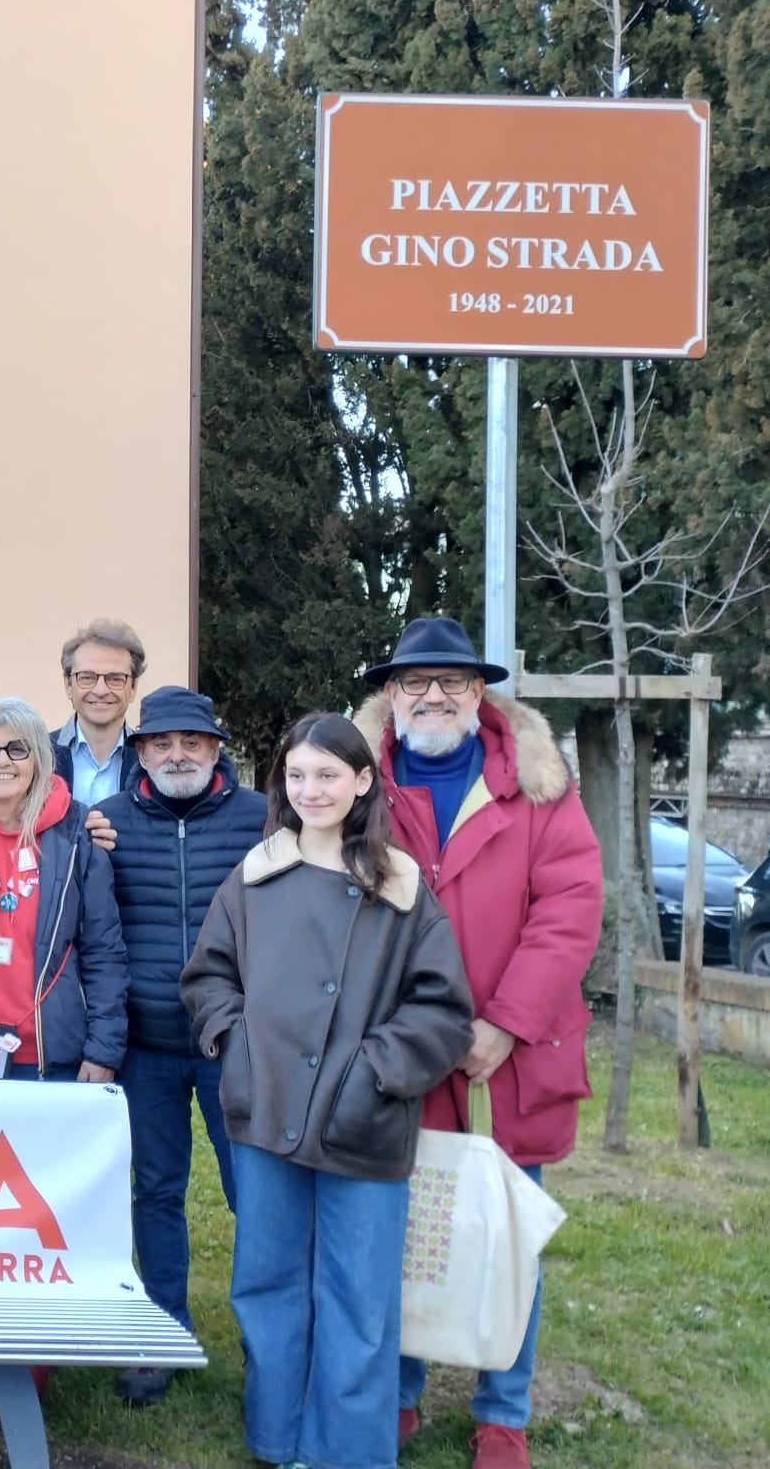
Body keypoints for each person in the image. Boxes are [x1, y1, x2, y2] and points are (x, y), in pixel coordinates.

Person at [182, 711, 474, 1469]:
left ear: (363, 782)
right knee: (268, 1284)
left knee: (358, 1299)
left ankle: (346, 1451)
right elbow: (209, 976)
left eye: (329, 774)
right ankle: (278, 1438)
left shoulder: (401, 887)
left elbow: (442, 1009)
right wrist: (235, 1045)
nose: (311, 789)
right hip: (268, 1109)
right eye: (298, 774)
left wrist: (378, 1071)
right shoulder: (254, 877)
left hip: (363, 1118)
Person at [355, 617, 602, 1469]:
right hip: (397, 1050)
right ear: (391, 693)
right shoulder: (358, 785)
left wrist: (503, 1022)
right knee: (402, 1225)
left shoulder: (537, 785)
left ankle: (504, 1409)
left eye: (452, 682)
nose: (434, 696)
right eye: (416, 681)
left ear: (478, 694)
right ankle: (397, 1389)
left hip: (510, 1056)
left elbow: (569, 907)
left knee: (506, 1230)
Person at [0, 695, 129, 1409]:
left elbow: (104, 946)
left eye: (18, 750)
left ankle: (32, 1345)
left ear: (41, 759)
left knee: (36, 1211)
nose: (2, 763)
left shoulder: (75, 835)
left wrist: (105, 1044)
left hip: (51, 1052)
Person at [93, 685, 268, 1406]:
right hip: (147, 1045)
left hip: (238, 1044)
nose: (176, 755)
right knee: (156, 1191)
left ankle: (271, 1340)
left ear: (215, 749)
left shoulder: (264, 818)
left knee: (254, 1195)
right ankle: (162, 1329)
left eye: (191, 742)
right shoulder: (106, 824)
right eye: (161, 743)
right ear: (140, 753)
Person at [54, 619, 146, 809]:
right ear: (68, 685)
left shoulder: (150, 761)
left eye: (115, 679)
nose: (101, 690)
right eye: (87, 677)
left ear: (134, 687)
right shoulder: (39, 756)